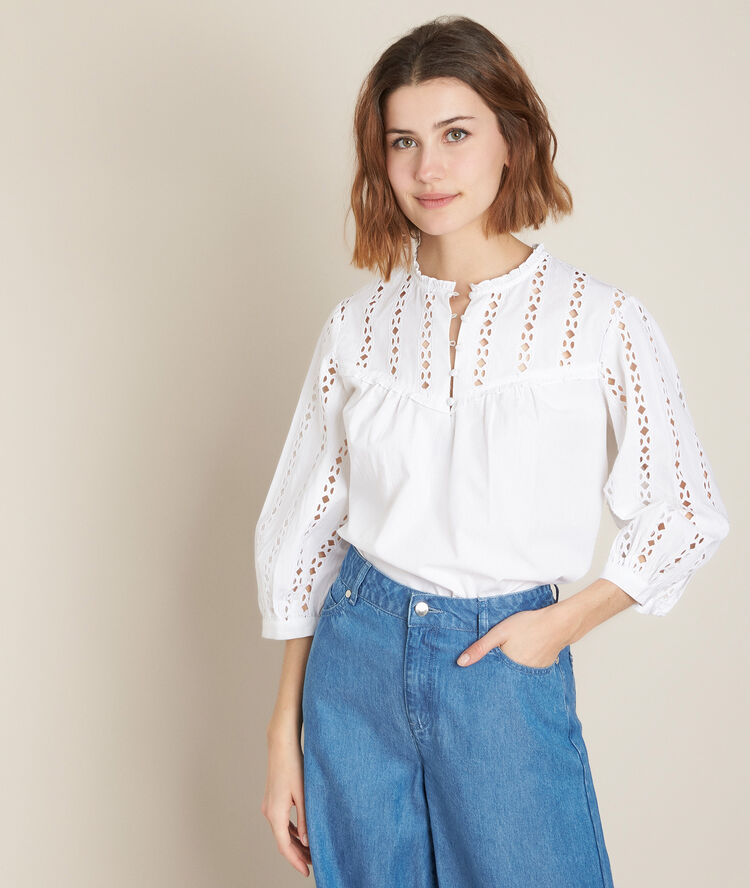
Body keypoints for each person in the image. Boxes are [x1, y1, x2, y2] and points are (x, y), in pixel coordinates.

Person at [256, 15, 730, 887]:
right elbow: (306, 532)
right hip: (355, 660)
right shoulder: (358, 327)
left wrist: (562, 624)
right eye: (403, 141)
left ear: (511, 140)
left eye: (455, 134)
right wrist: (283, 734)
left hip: (501, 663)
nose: (427, 169)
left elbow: (686, 510)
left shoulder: (600, 321)